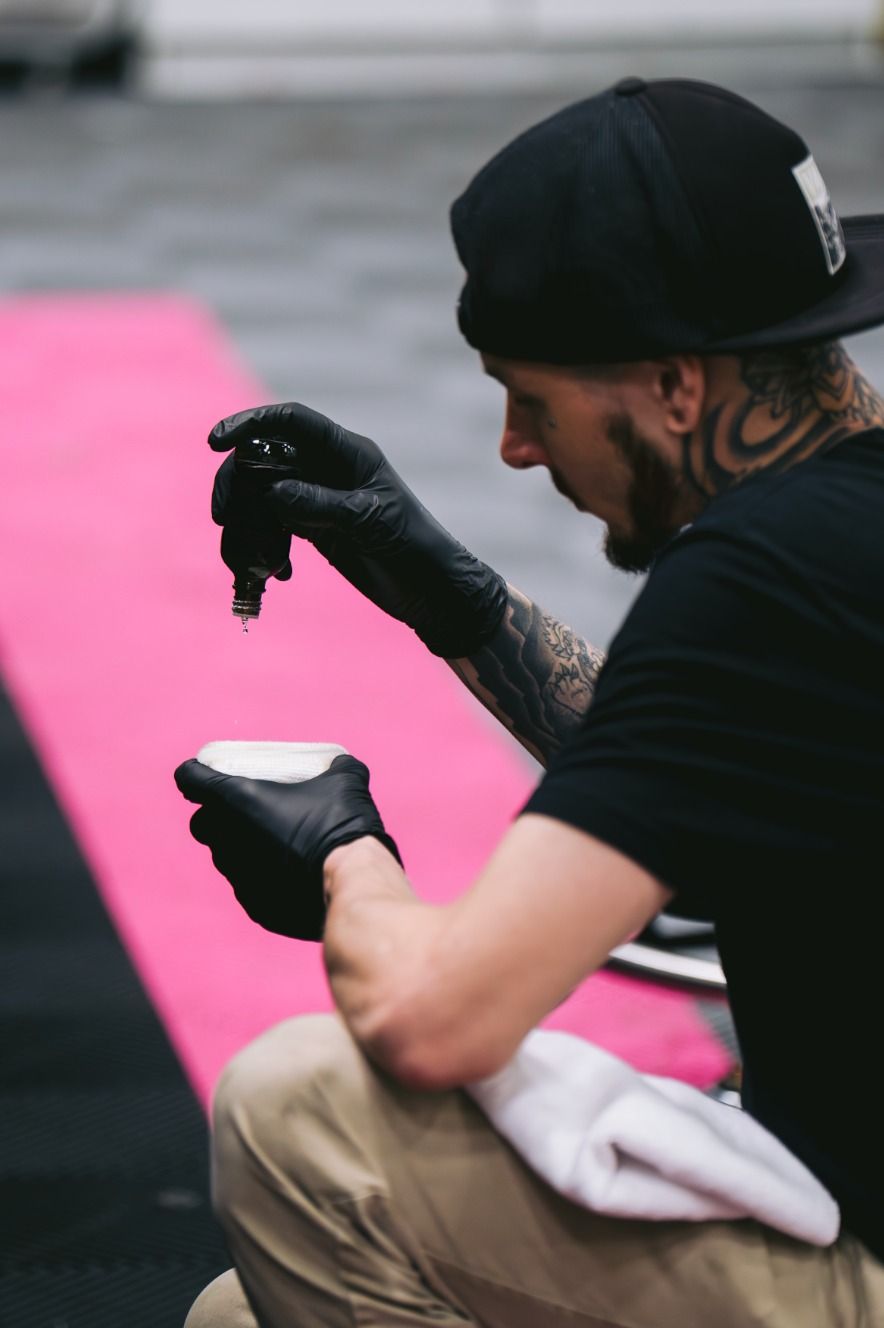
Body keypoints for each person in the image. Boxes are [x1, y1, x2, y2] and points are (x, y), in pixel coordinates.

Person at [175, 77, 884, 1326]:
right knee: (241, 1317)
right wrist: (448, 595)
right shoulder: (839, 541)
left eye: (534, 399)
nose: (512, 443)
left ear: (673, 385)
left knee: (298, 1113)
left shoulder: (759, 577)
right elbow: (706, 768)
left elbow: (431, 1019)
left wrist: (343, 856)